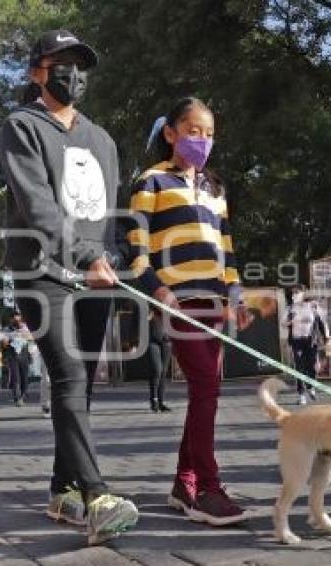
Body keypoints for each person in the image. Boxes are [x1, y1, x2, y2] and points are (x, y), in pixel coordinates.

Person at [0, 29, 139, 544]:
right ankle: (98, 496)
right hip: (43, 274)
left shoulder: (102, 139)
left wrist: (118, 255)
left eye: (81, 65)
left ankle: (62, 487)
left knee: (79, 385)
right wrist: (85, 255)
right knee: (68, 374)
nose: (73, 74)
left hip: (96, 276)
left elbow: (110, 211)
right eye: (62, 63)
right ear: (37, 70)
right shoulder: (20, 126)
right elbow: (36, 204)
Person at [125, 97, 249, 526]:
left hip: (214, 302)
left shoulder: (215, 189)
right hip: (178, 300)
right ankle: (209, 491)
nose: (202, 140)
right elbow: (136, 251)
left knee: (206, 389)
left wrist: (235, 293)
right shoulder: (151, 183)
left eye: (209, 133)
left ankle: (184, 483)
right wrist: (158, 290)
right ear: (171, 133)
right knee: (206, 390)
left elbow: (227, 249)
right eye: (194, 130)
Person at [284, 285, 330, 405]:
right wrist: (290, 320)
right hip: (296, 341)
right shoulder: (290, 308)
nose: (294, 295)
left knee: (312, 367)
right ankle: (301, 395)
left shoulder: (313, 307)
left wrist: (327, 338)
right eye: (293, 293)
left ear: (304, 294)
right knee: (299, 367)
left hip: (311, 341)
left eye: (297, 293)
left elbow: (322, 323)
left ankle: (310, 386)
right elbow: (283, 323)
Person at [2, 312, 33, 406]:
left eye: (18, 319)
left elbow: (31, 338)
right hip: (12, 355)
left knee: (24, 377)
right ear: (11, 320)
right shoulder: (7, 329)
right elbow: (4, 344)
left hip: (24, 354)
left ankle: (23, 395)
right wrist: (8, 339)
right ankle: (17, 398)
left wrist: (24, 334)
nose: (16, 321)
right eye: (14, 319)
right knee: (15, 377)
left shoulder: (25, 328)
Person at [147, 311, 172, 413]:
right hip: (152, 342)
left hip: (166, 342)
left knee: (163, 372)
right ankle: (154, 400)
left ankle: (161, 402)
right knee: (157, 370)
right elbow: (138, 323)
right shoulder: (149, 309)